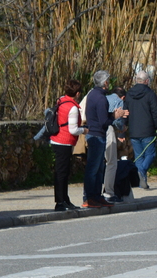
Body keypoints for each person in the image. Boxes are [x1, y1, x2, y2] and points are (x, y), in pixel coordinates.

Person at [81, 70, 120, 209]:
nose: (109, 83)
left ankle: (96, 196)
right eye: (108, 81)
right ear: (105, 83)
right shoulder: (101, 98)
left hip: (94, 133)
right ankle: (89, 197)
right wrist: (115, 116)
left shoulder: (92, 94)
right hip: (97, 134)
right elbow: (104, 121)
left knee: (98, 168)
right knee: (94, 168)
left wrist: (111, 115)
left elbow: (99, 115)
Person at [50, 80, 84, 212]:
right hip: (64, 141)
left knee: (61, 172)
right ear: (77, 93)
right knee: (62, 173)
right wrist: (85, 130)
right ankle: (60, 201)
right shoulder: (73, 107)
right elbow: (73, 129)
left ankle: (64, 199)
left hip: (57, 139)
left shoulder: (61, 101)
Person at [126, 69, 157, 189]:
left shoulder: (129, 94)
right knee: (151, 154)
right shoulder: (150, 94)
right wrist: (156, 126)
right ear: (146, 81)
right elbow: (156, 112)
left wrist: (125, 126)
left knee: (139, 156)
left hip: (134, 130)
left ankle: (142, 181)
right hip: (147, 129)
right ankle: (141, 172)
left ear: (136, 80)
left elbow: (126, 111)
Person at [103, 86, 127, 204]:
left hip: (96, 130)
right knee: (111, 162)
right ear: (123, 97)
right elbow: (117, 121)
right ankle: (109, 192)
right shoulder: (119, 101)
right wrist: (122, 128)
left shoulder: (103, 98)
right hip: (109, 130)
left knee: (97, 163)